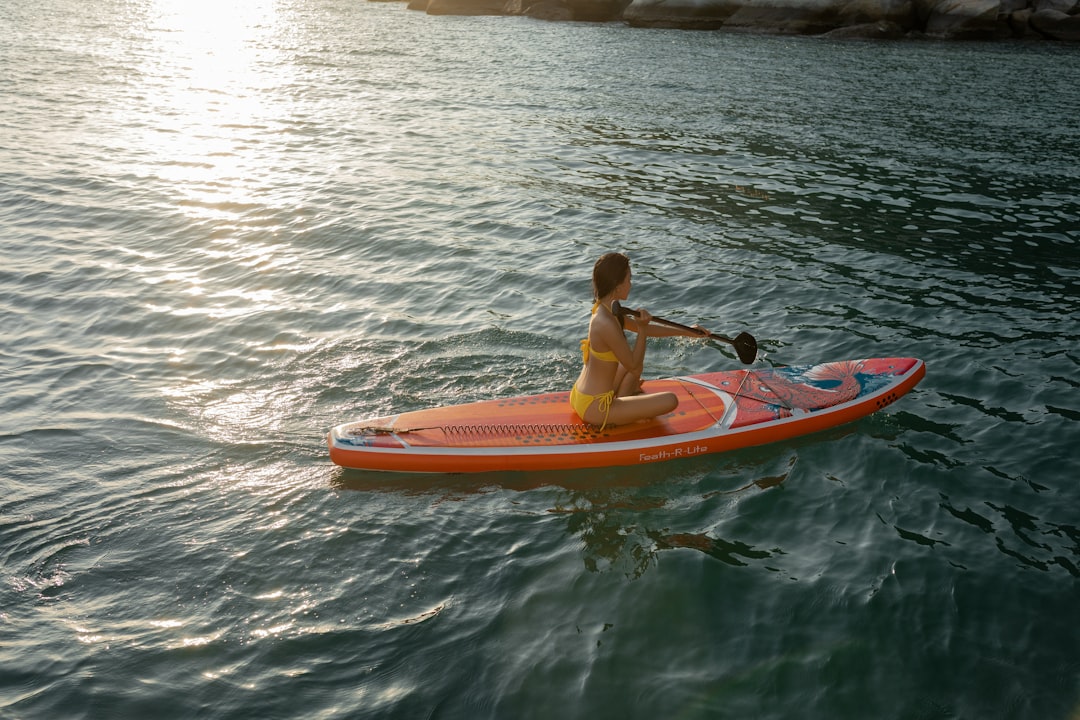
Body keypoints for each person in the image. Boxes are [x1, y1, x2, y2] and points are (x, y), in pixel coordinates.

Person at [570, 253, 709, 429]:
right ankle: (624, 415)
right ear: (617, 285)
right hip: (597, 408)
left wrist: (688, 332)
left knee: (629, 369)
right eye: (629, 279)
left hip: (583, 395)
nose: (631, 284)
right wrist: (642, 328)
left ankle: (626, 404)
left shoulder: (605, 309)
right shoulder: (606, 323)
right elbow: (634, 364)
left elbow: (648, 330)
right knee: (670, 400)